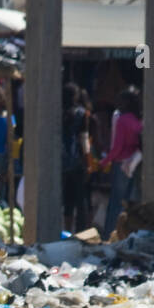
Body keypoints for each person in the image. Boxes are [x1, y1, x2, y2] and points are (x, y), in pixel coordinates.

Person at [100, 86, 143, 239]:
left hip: (121, 164)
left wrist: (104, 161)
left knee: (116, 203)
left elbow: (117, 147)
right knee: (129, 202)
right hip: (134, 163)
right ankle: (125, 234)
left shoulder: (122, 119)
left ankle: (110, 234)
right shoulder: (138, 119)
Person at [61, 83, 92, 232]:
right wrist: (87, 162)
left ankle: (65, 229)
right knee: (80, 198)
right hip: (76, 161)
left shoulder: (57, 112)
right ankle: (81, 232)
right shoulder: (81, 114)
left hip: (59, 162)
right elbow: (84, 139)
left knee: (66, 199)